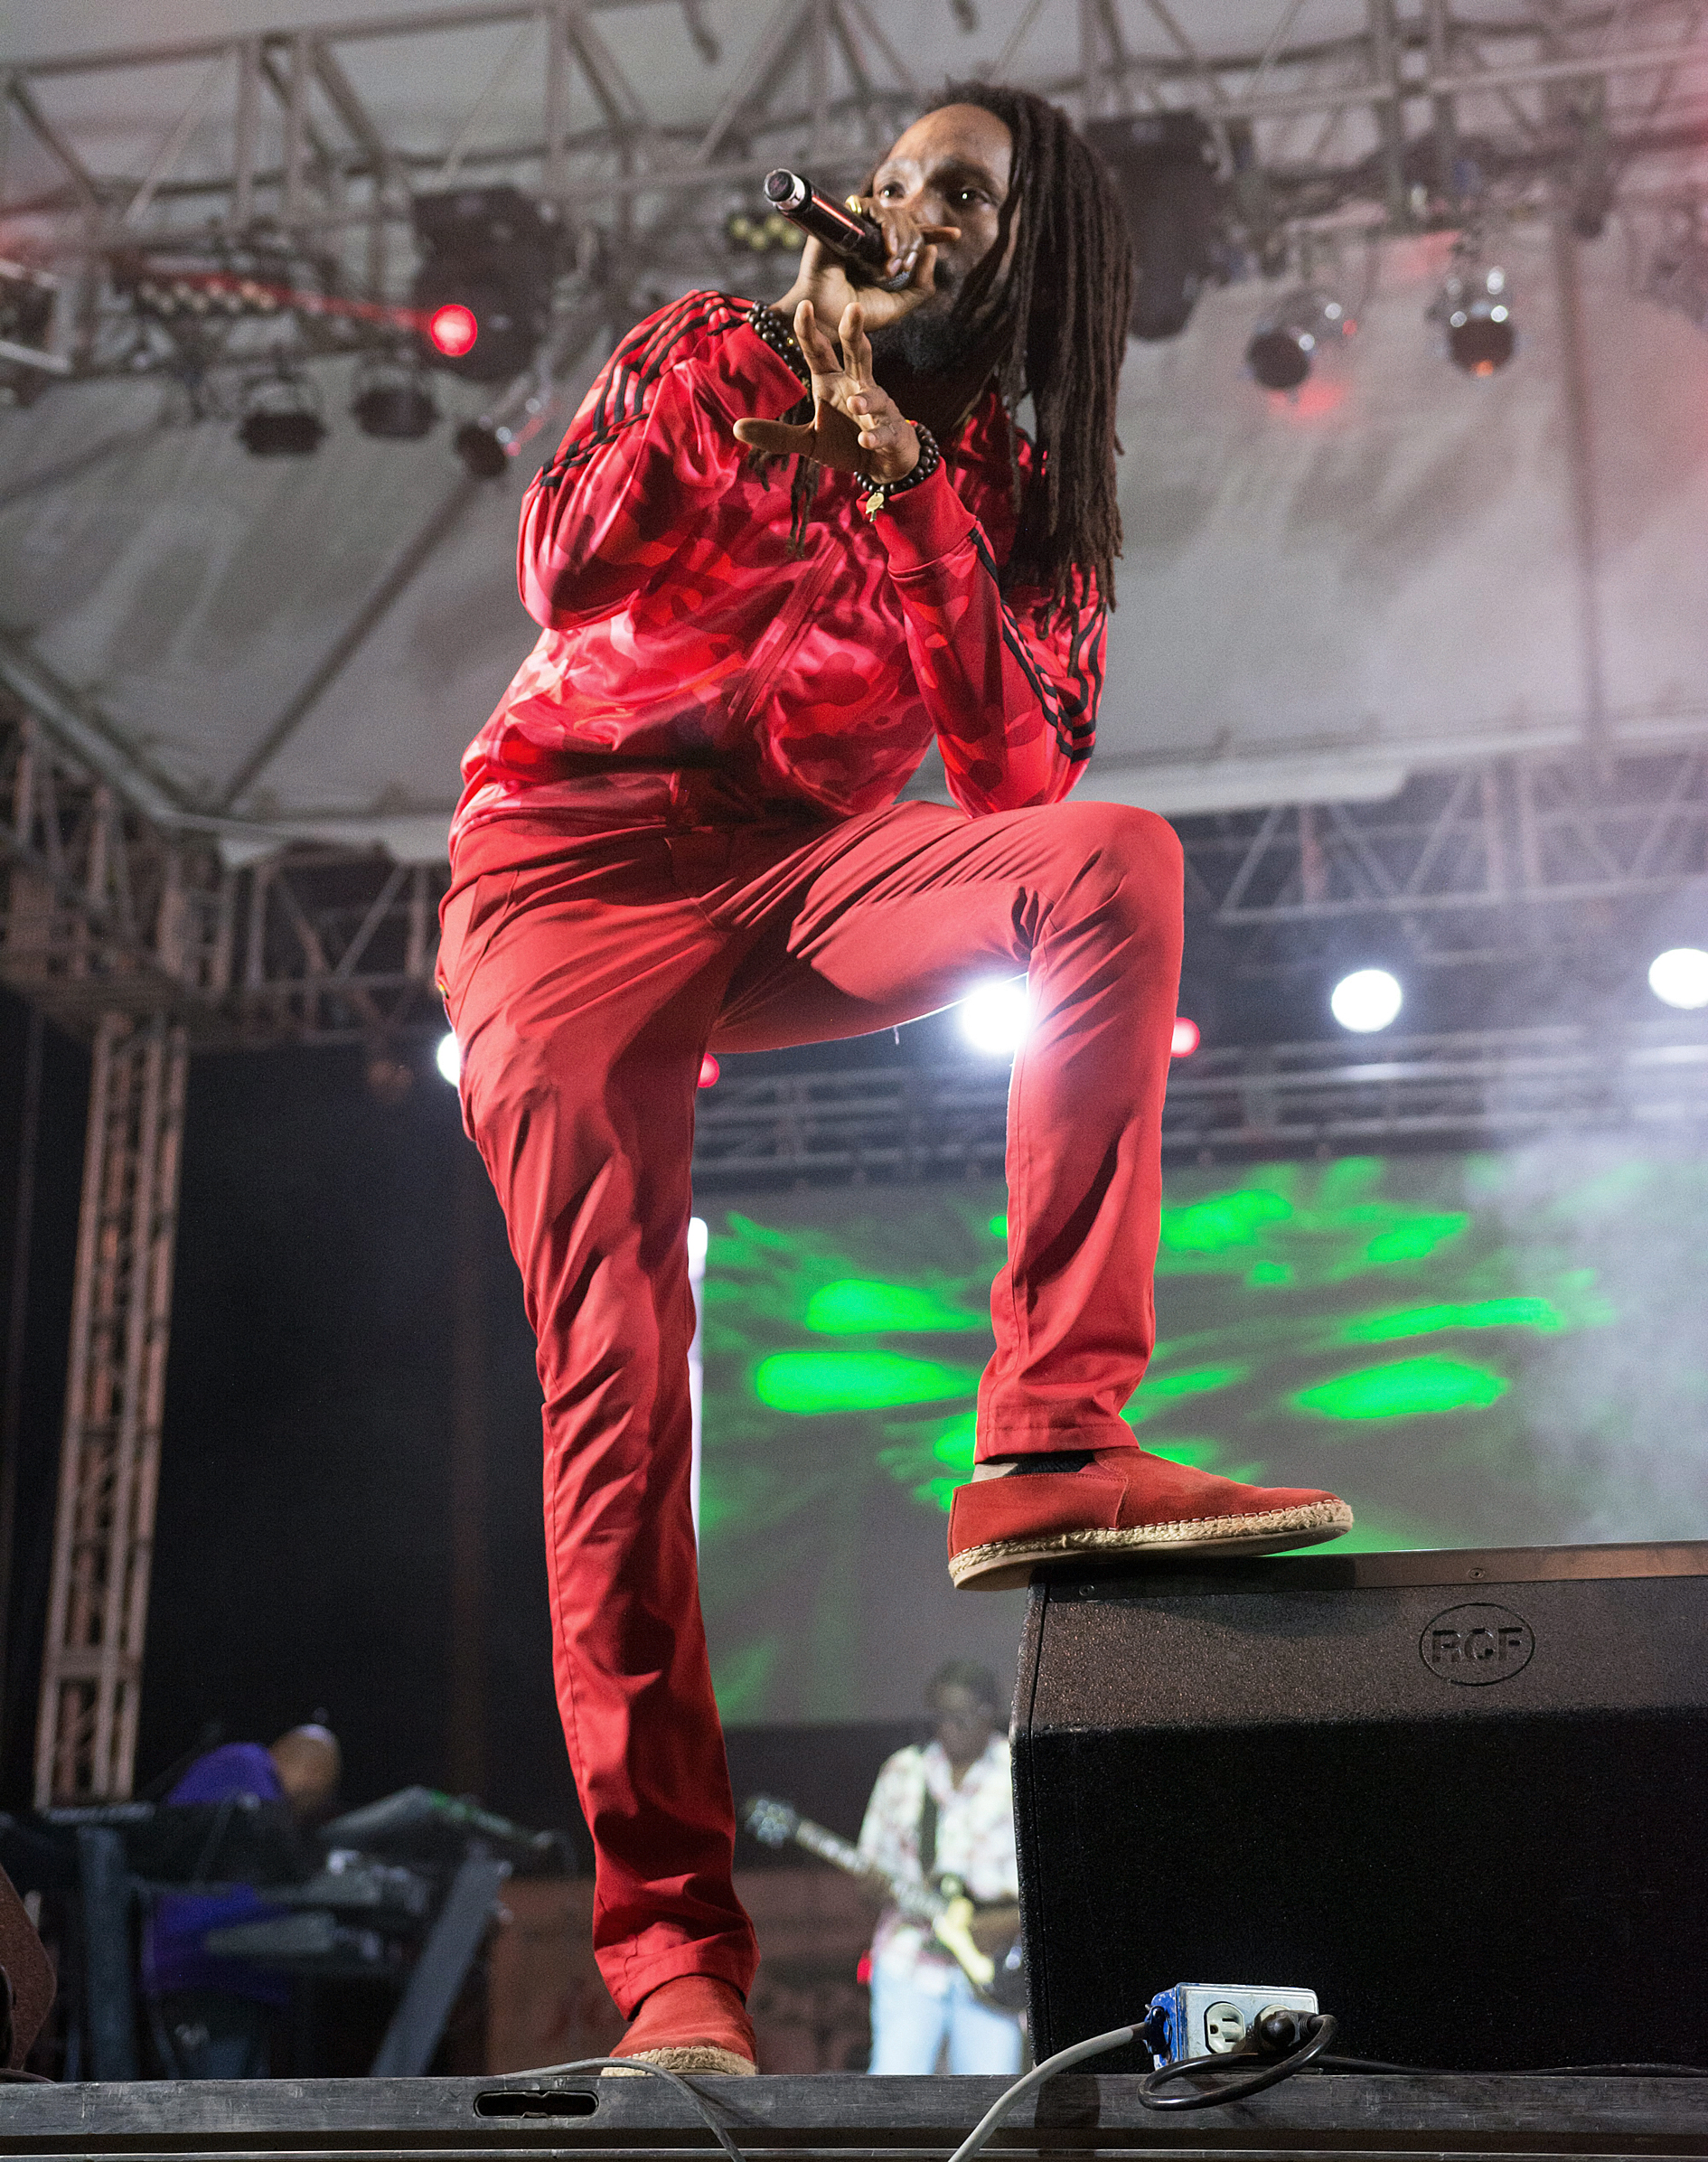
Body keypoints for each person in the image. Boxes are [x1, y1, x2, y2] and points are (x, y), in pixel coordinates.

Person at [437, 83, 1352, 2075]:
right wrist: (774, 371)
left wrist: (913, 482)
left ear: (1033, 263)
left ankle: (1051, 1438)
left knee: (1112, 865)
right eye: (896, 178)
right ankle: (673, 1962)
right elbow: (559, 566)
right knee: (622, 1391)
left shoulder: (1017, 493)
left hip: (795, 881)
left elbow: (1020, 774)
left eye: (963, 196)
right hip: (563, 879)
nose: (907, 207)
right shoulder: (710, 344)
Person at [142, 1725, 342, 2079]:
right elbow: (276, 1846)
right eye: (317, 1796)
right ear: (311, 1777)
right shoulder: (246, 1764)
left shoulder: (242, 1774)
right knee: (220, 2103)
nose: (307, 1809)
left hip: (228, 1976)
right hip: (207, 1974)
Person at [858, 1662, 1022, 2075]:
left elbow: (1050, 1887)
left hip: (995, 1967)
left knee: (991, 2097)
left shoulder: (1018, 1770)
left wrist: (1008, 1923)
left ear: (988, 1713)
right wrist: (872, 1887)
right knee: (894, 2093)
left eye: (960, 1717)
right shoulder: (903, 1771)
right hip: (908, 1959)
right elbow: (870, 1877)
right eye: (940, 1717)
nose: (948, 1729)